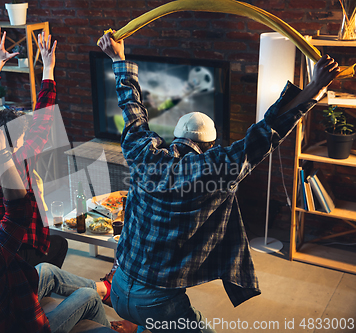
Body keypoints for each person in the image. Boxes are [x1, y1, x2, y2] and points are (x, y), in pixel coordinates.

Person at [98, 32, 339, 332]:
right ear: (211, 146)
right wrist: (316, 86)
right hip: (156, 302)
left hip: (118, 290)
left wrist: (118, 59)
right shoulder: (214, 168)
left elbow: (132, 111)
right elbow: (268, 132)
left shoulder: (144, 154)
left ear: (175, 137)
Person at [0, 110, 114, 333]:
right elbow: (18, 210)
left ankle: (105, 289)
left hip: (1, 305)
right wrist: (1, 151)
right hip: (20, 327)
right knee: (88, 297)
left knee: (46, 269)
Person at [0, 28, 68, 268]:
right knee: (60, 244)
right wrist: (48, 66)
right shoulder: (21, 158)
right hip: (19, 251)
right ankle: (33, 284)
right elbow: (44, 115)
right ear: (19, 139)